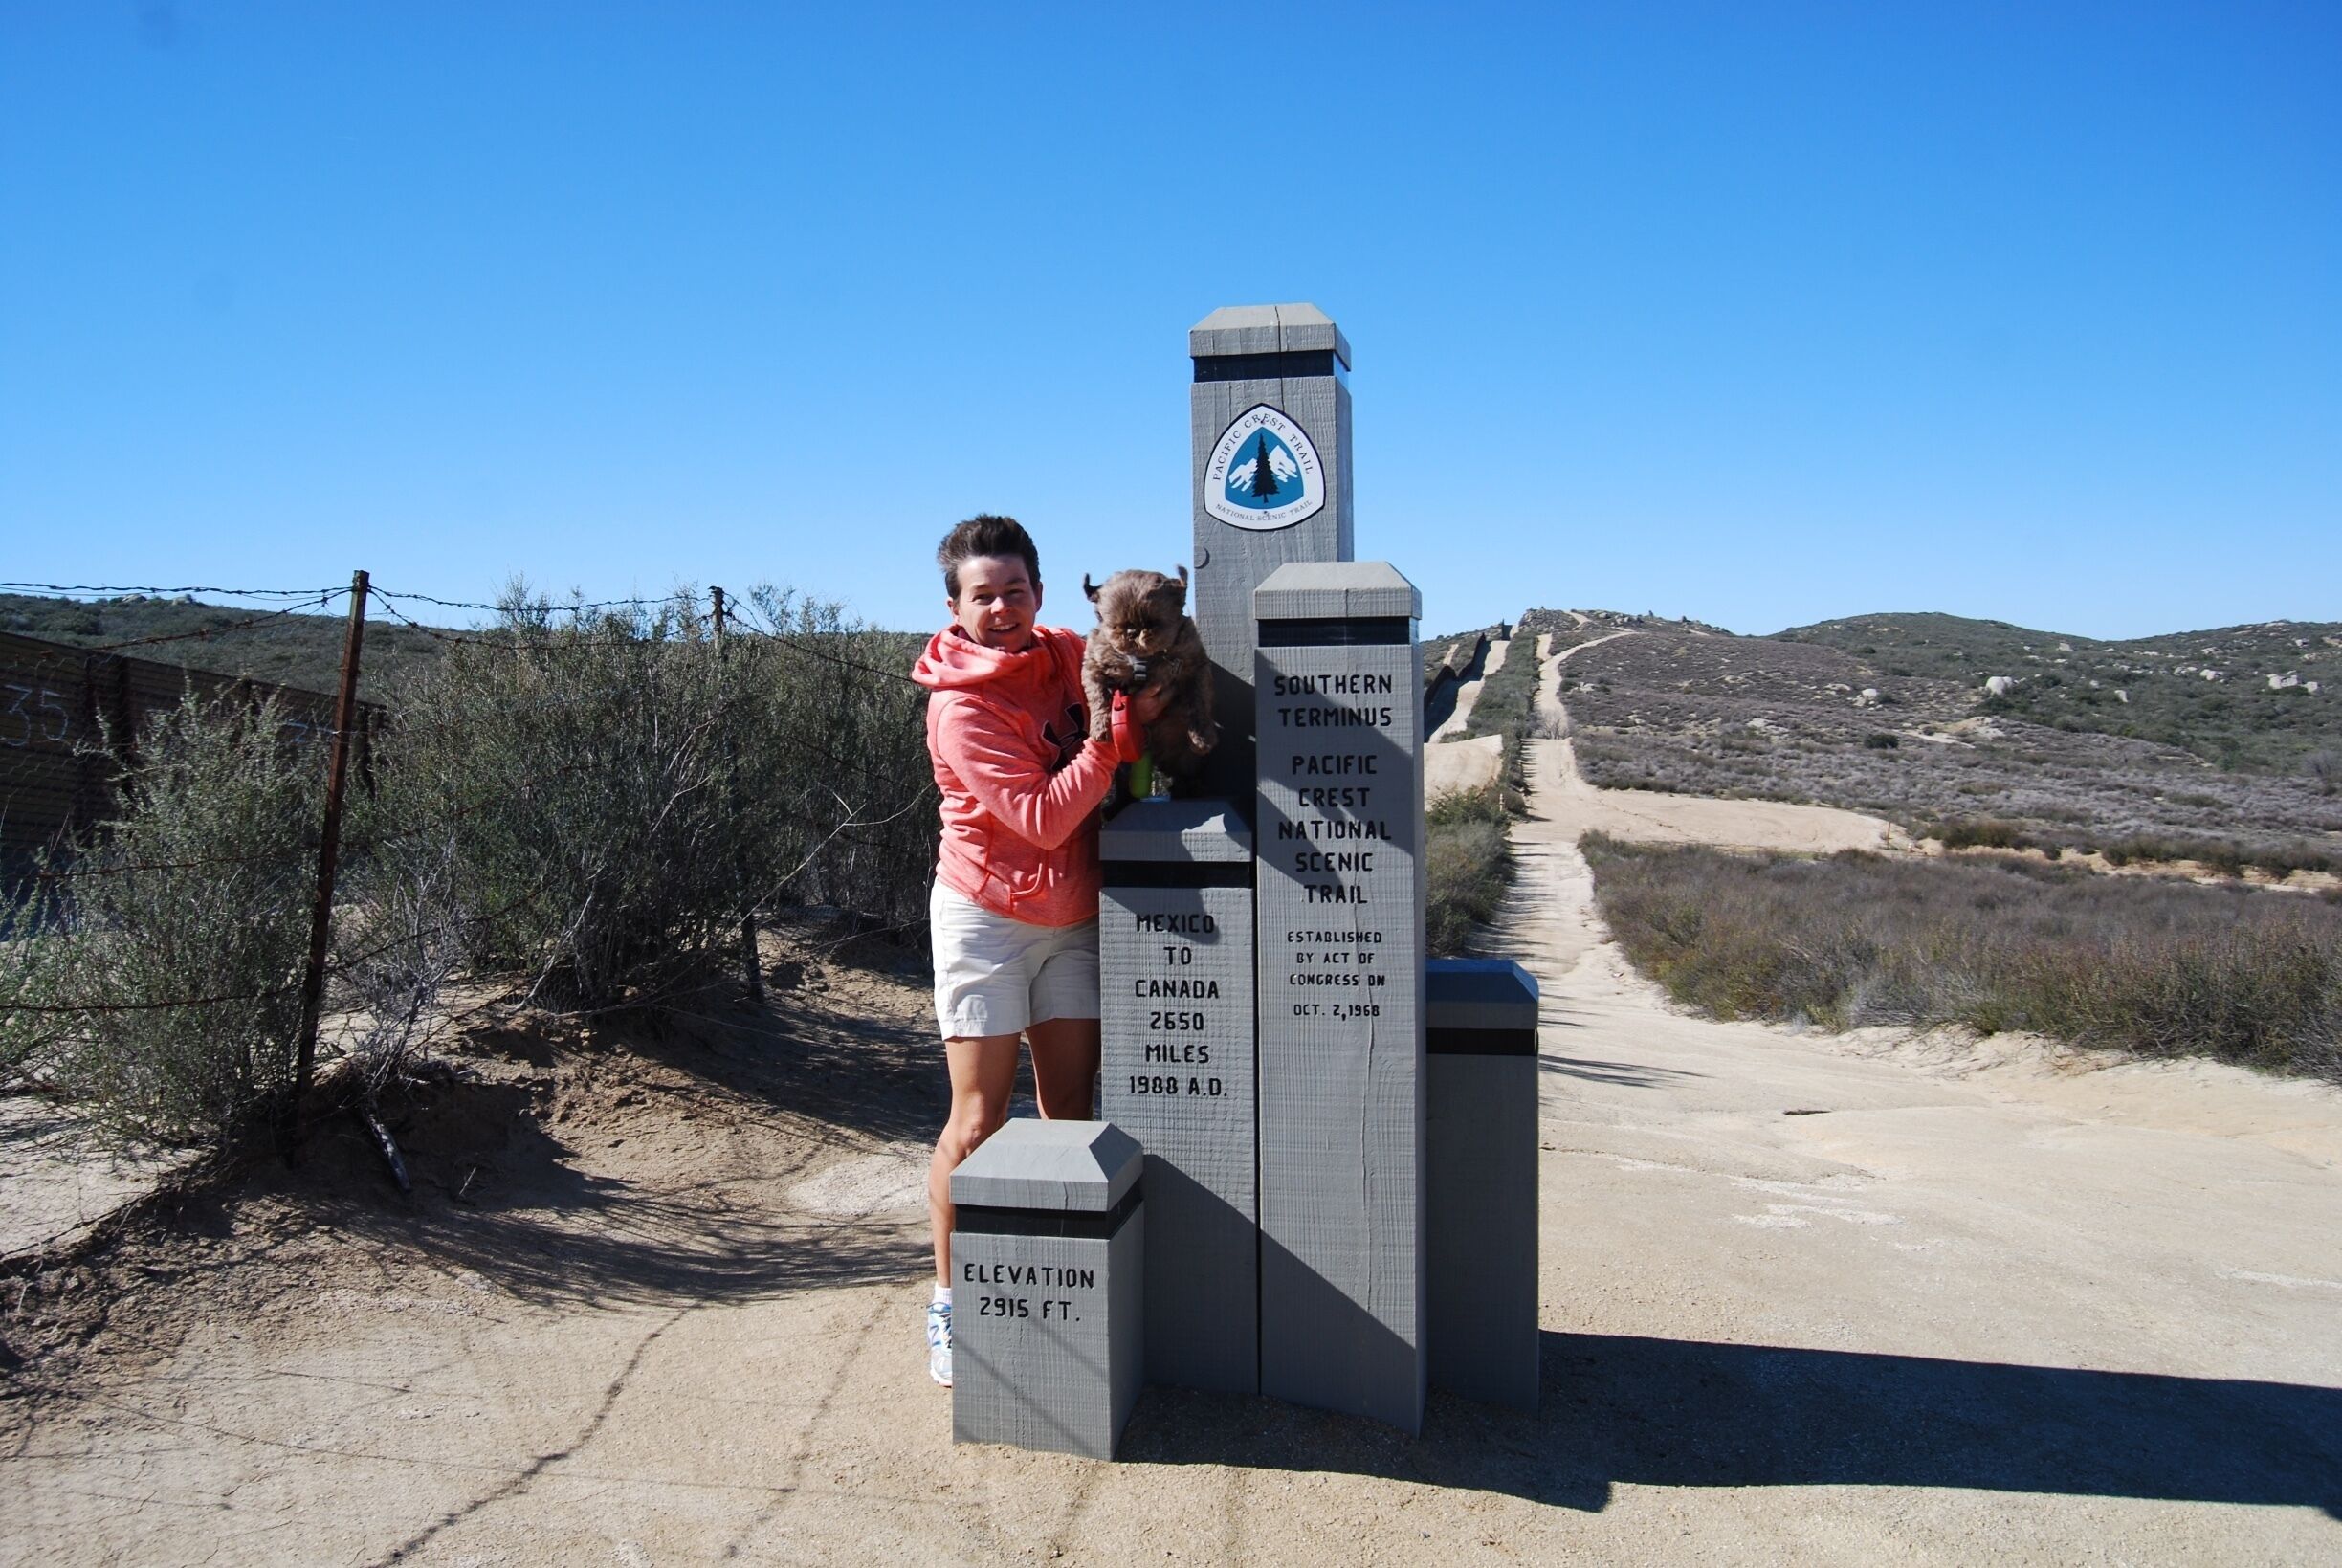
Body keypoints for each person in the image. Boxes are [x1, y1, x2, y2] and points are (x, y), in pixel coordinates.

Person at [909, 514, 1154, 1387]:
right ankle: (949, 1299)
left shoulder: (1063, 652)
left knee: (1070, 1113)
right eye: (984, 596)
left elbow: (1128, 664)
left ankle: (1063, 1283)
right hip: (986, 920)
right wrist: (1110, 743)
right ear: (955, 607)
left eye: (1015, 590)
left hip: (1074, 917)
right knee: (977, 1120)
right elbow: (1045, 818)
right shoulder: (959, 707)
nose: (1002, 608)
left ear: (1040, 593)